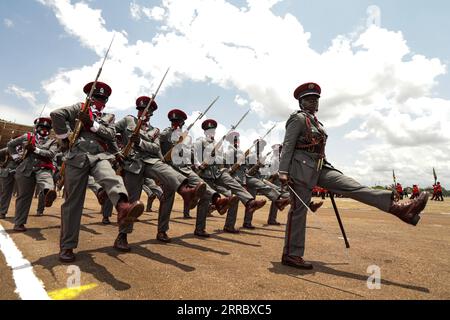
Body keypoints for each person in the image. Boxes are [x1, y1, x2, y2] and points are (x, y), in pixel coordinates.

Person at [278, 82, 429, 270]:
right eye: (309, 99)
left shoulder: (317, 123)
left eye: (316, 99)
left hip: (320, 167)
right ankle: (292, 254)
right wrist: (283, 172)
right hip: (300, 170)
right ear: (301, 103)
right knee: (299, 211)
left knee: (351, 186)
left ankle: (398, 209)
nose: (313, 102)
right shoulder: (298, 119)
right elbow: (288, 146)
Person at [50, 81, 145, 262]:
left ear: (106, 101)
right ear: (89, 97)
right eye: (96, 97)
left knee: (112, 179)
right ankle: (67, 246)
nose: (99, 101)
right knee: (73, 203)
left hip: (99, 156)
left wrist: (91, 123)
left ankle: (123, 207)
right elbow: (56, 115)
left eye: (102, 98)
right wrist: (66, 137)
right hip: (77, 156)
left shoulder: (109, 117)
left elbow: (110, 135)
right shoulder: (79, 107)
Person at [112, 97, 206, 251]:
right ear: (138, 109)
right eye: (143, 110)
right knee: (132, 201)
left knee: (166, 171)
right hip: (132, 164)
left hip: (150, 161)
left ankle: (185, 192)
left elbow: (155, 149)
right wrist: (118, 150)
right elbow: (110, 133)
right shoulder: (129, 121)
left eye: (148, 111)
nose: (145, 113)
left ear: (151, 114)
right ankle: (122, 236)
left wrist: (140, 143)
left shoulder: (154, 131)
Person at [195, 119, 266, 233]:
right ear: (205, 131)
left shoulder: (218, 145)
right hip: (205, 174)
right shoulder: (200, 141)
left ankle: (249, 202)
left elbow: (221, 160)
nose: (211, 132)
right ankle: (199, 229)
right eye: (209, 130)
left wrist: (226, 167)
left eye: (213, 130)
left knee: (235, 190)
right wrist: (199, 165)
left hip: (218, 173)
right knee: (204, 201)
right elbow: (193, 155)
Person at [7, 117, 58, 232]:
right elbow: (10, 145)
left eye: (47, 128)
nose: (44, 130)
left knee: (47, 181)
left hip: (43, 168)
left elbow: (50, 154)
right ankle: (19, 223)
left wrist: (35, 149)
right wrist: (16, 157)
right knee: (24, 197)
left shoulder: (53, 141)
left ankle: (48, 194)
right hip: (25, 170)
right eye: (42, 127)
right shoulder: (27, 137)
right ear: (36, 128)